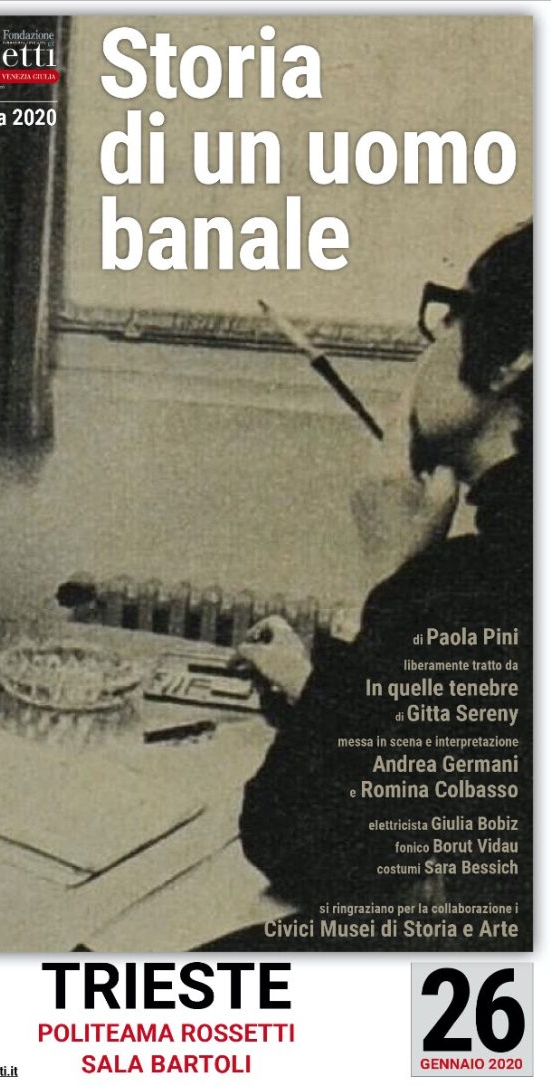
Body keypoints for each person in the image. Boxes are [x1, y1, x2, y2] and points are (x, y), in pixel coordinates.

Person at [237, 222, 532, 931]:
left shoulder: (476, 584)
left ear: (510, 361)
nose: (429, 349)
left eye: (450, 317)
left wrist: (392, 579)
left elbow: (296, 841)